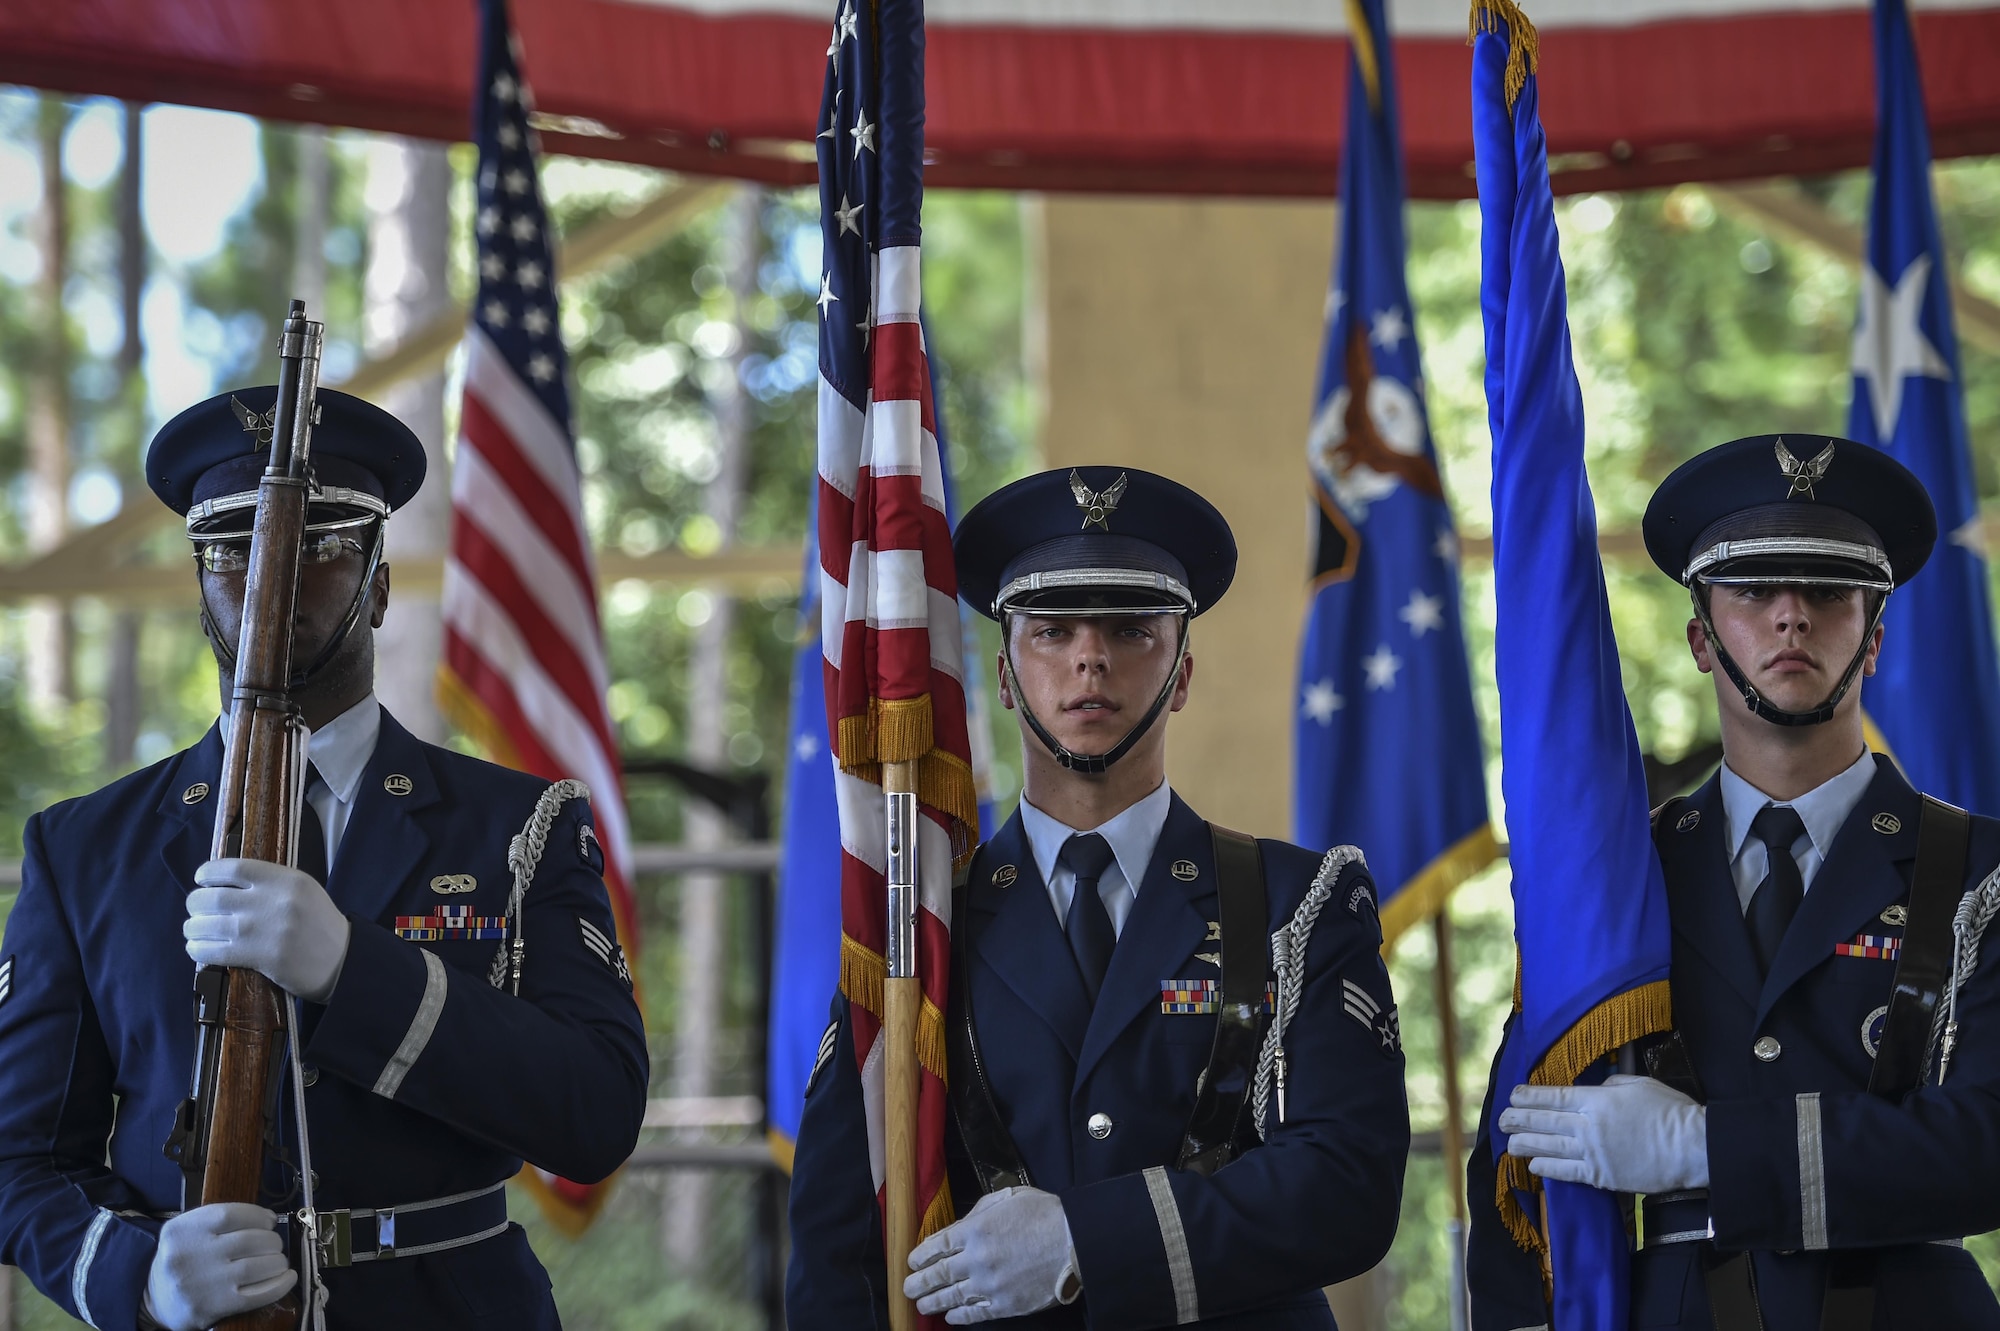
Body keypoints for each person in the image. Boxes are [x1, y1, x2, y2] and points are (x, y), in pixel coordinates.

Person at [0, 387, 648, 1330]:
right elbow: (18, 1158)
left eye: (320, 545)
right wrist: (136, 1277)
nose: (268, 578)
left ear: (380, 584)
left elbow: (596, 1111)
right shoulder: (86, 846)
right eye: (231, 549)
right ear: (199, 582)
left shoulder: (516, 825)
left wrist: (356, 971)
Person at [786, 466, 1410, 1328]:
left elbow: (1350, 1181)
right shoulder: (925, 922)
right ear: (1004, 677)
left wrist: (1087, 1238)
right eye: (1050, 631)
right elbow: (833, 1246)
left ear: (1181, 674)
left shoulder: (1295, 902)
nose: (1090, 656)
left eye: (1130, 629)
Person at [1466, 435, 2000, 1329]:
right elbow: (1519, 1149)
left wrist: (1704, 1149)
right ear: (1701, 639)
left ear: (1873, 638)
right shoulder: (1621, 882)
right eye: (1754, 591)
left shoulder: (1980, 872)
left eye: (1828, 593)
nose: (1792, 616)